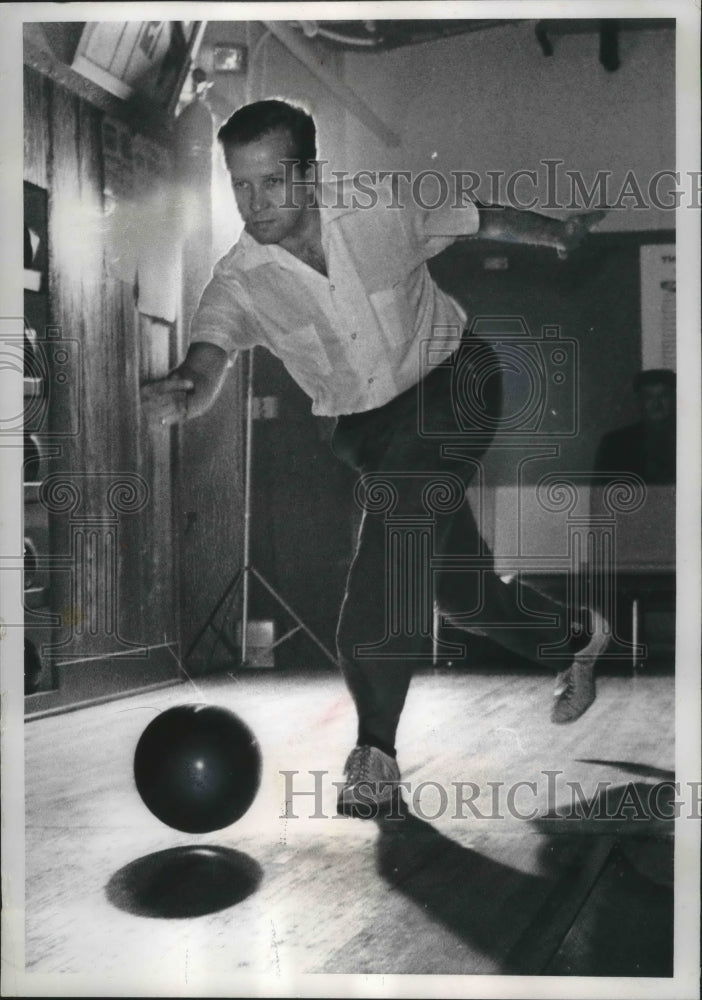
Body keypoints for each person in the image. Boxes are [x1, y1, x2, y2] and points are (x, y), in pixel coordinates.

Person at [142, 99, 610, 816]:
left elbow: (475, 216)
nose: (253, 203)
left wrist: (559, 234)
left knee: (394, 533)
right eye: (239, 185)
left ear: (311, 175)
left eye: (270, 182)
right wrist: (188, 386)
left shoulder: (381, 207)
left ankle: (376, 752)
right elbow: (212, 351)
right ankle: (574, 637)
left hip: (455, 383)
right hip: (368, 433)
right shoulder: (240, 277)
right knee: (460, 593)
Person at [594, 369, 676, 485]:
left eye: (663, 396)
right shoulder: (614, 443)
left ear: (674, 399)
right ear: (639, 401)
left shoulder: (690, 441)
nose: (657, 404)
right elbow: (599, 493)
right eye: (649, 397)